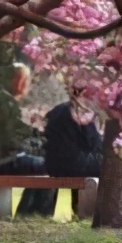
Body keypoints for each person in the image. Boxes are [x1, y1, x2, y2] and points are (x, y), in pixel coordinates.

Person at [0, 64, 56, 217]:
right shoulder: (5, 101)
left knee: (43, 166)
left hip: (2, 159)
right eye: (24, 81)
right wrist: (42, 137)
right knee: (53, 167)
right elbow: (15, 134)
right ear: (16, 81)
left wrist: (39, 135)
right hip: (6, 161)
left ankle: (27, 213)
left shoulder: (2, 100)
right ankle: (35, 214)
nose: (26, 86)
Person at [43, 85, 103, 216]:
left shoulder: (59, 110)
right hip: (70, 164)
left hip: (53, 164)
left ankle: (77, 208)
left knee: (88, 160)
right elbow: (94, 143)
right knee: (107, 165)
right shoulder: (79, 112)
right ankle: (86, 211)